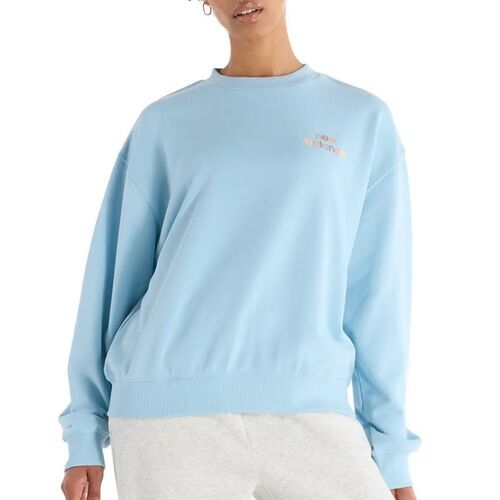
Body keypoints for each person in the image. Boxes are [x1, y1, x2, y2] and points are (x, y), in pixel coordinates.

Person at [58, 0, 422, 499]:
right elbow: (112, 279)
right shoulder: (164, 123)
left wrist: (391, 453)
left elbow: (377, 294)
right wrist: (84, 430)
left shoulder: (362, 119)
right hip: (168, 418)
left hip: (311, 410)